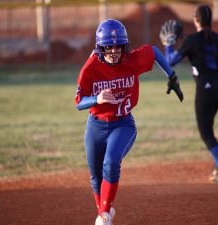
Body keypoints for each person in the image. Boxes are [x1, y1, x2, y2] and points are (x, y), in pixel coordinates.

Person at [75, 19, 183, 225]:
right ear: (100, 48)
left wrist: (172, 75)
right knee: (95, 176)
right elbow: (79, 101)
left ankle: (104, 215)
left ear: (125, 46)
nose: (114, 51)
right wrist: (97, 99)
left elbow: (154, 52)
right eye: (109, 46)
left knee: (111, 162)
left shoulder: (131, 60)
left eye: (118, 46)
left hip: (122, 124)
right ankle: (104, 213)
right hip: (95, 125)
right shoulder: (90, 67)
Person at [159, 4, 218, 184]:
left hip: (205, 89)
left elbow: (171, 61)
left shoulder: (192, 40)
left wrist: (168, 45)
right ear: (210, 20)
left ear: (196, 20)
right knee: (208, 129)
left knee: (205, 133)